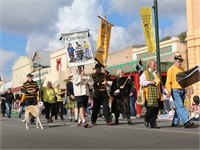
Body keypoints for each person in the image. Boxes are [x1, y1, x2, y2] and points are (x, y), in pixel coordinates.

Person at [165, 54, 195, 128]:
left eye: (181, 61)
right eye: (179, 61)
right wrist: (169, 91)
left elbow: (186, 80)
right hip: (175, 90)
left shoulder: (182, 69)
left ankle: (175, 122)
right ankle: (186, 121)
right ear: (175, 61)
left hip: (182, 90)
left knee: (179, 107)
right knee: (180, 106)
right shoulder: (171, 69)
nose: (180, 63)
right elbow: (168, 82)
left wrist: (190, 87)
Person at [140, 59, 163, 129]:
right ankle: (146, 118)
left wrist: (165, 92)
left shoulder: (157, 73)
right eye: (154, 64)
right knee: (151, 108)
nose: (155, 65)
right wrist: (150, 82)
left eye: (155, 63)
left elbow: (160, 84)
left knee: (156, 109)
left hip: (157, 93)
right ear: (149, 65)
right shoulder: (145, 73)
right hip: (149, 94)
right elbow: (141, 82)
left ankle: (153, 123)